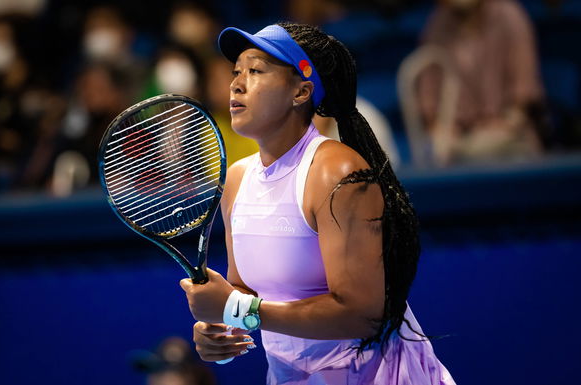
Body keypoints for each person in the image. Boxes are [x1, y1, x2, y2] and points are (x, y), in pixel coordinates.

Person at [180, 22, 455, 384]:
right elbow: (247, 291)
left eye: (256, 70)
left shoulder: (336, 172)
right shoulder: (235, 179)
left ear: (301, 91)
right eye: (236, 71)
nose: (237, 83)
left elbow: (362, 314)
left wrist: (239, 309)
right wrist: (221, 328)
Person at [417, 0, 547, 165]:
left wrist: (500, 128)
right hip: (458, 138)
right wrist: (441, 132)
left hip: (510, 137)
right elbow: (430, 102)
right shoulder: (437, 23)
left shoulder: (509, 15)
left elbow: (521, 105)